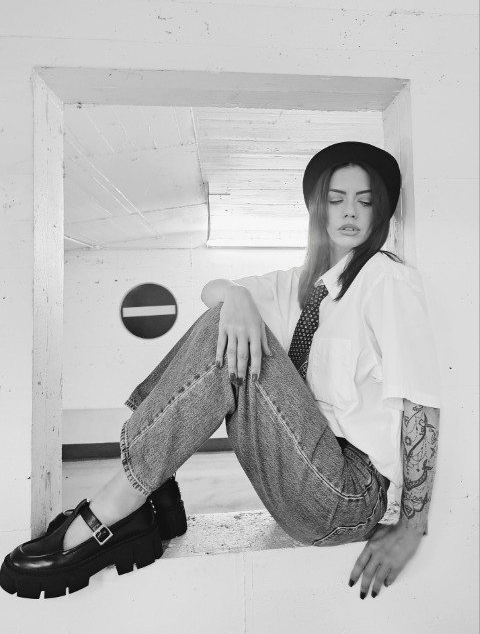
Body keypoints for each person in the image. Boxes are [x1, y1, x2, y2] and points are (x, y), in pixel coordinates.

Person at [0, 141, 440, 601]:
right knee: (227, 315)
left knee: (223, 331)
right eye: (336, 199)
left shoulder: (385, 278)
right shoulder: (298, 284)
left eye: (364, 201)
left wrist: (412, 527)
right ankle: (154, 485)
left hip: (347, 495)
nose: (350, 212)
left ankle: (119, 504)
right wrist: (237, 296)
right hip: (303, 471)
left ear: (379, 212)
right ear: (318, 210)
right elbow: (212, 291)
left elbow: (420, 402)